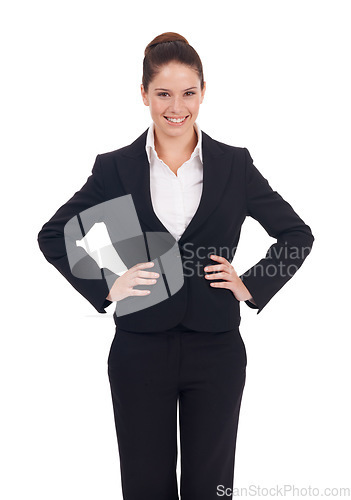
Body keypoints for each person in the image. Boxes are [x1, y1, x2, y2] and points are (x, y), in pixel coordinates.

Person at [37, 32, 314, 500]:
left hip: (217, 349)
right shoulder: (116, 167)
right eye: (163, 93)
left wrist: (251, 285)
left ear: (203, 92)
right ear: (143, 94)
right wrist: (108, 284)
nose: (176, 106)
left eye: (188, 92)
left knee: (212, 488)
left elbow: (297, 235)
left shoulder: (233, 165)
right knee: (146, 487)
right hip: (139, 348)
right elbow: (54, 235)